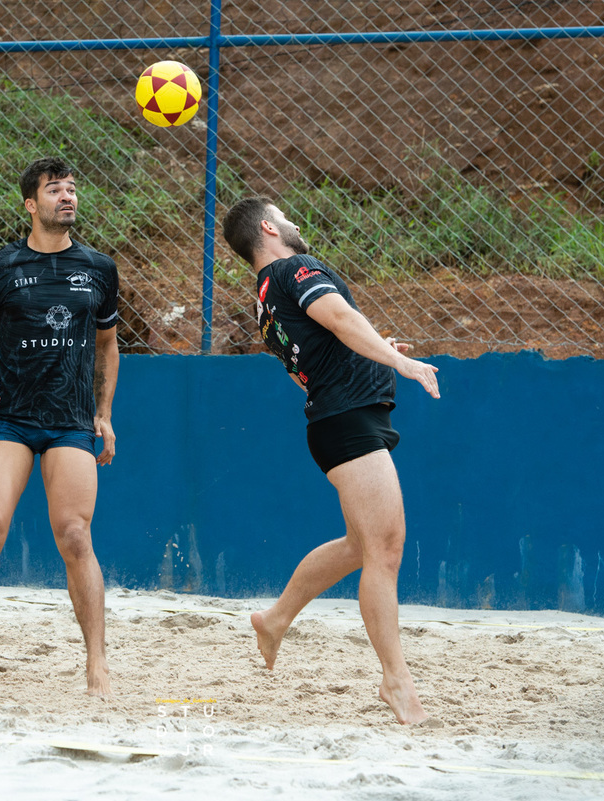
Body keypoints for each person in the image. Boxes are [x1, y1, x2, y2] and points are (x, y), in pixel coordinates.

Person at [221, 196, 441, 724]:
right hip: (348, 423)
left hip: (340, 420)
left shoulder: (265, 299)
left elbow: (318, 357)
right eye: (285, 215)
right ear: (268, 228)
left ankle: (275, 619)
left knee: (359, 546)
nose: (295, 221)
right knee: (384, 550)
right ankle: (395, 680)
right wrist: (400, 361)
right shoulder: (295, 268)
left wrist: (376, 350)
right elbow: (340, 318)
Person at [0, 156, 120, 697]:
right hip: (11, 419)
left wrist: (103, 414)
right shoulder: (1, 267)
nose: (67, 196)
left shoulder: (99, 267)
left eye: (71, 188)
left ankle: (97, 665)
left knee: (75, 536)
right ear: (31, 204)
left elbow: (108, 345)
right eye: (54, 190)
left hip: (70, 422)